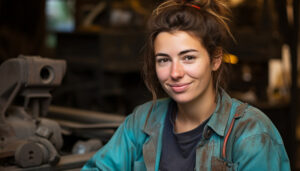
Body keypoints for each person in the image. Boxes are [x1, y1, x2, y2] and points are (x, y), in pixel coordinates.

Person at [82, 0, 290, 170]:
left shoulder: (251, 134)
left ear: (215, 59)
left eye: (188, 58)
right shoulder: (142, 122)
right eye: (163, 60)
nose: (175, 73)